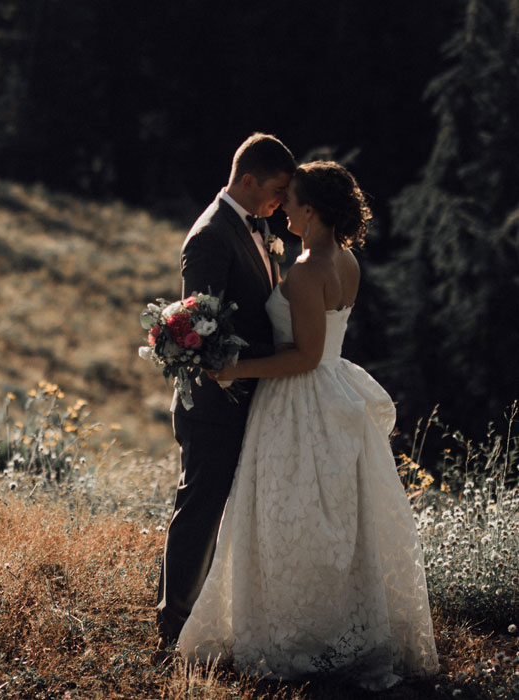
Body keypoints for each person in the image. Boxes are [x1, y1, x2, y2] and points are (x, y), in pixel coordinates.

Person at [177, 161, 439, 690]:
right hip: (335, 394)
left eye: (291, 200)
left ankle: (297, 634)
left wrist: (236, 368)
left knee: (287, 516)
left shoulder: (304, 271)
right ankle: (339, 627)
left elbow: (305, 356)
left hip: (298, 402)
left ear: (311, 210)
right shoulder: (346, 262)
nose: (283, 207)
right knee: (333, 520)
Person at [155, 133, 297, 654]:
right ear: (249, 179)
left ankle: (213, 618)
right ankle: (173, 627)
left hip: (247, 398)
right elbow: (205, 329)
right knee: (200, 508)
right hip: (215, 404)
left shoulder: (254, 227)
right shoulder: (212, 235)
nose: (281, 202)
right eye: (278, 190)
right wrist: (274, 357)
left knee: (221, 510)